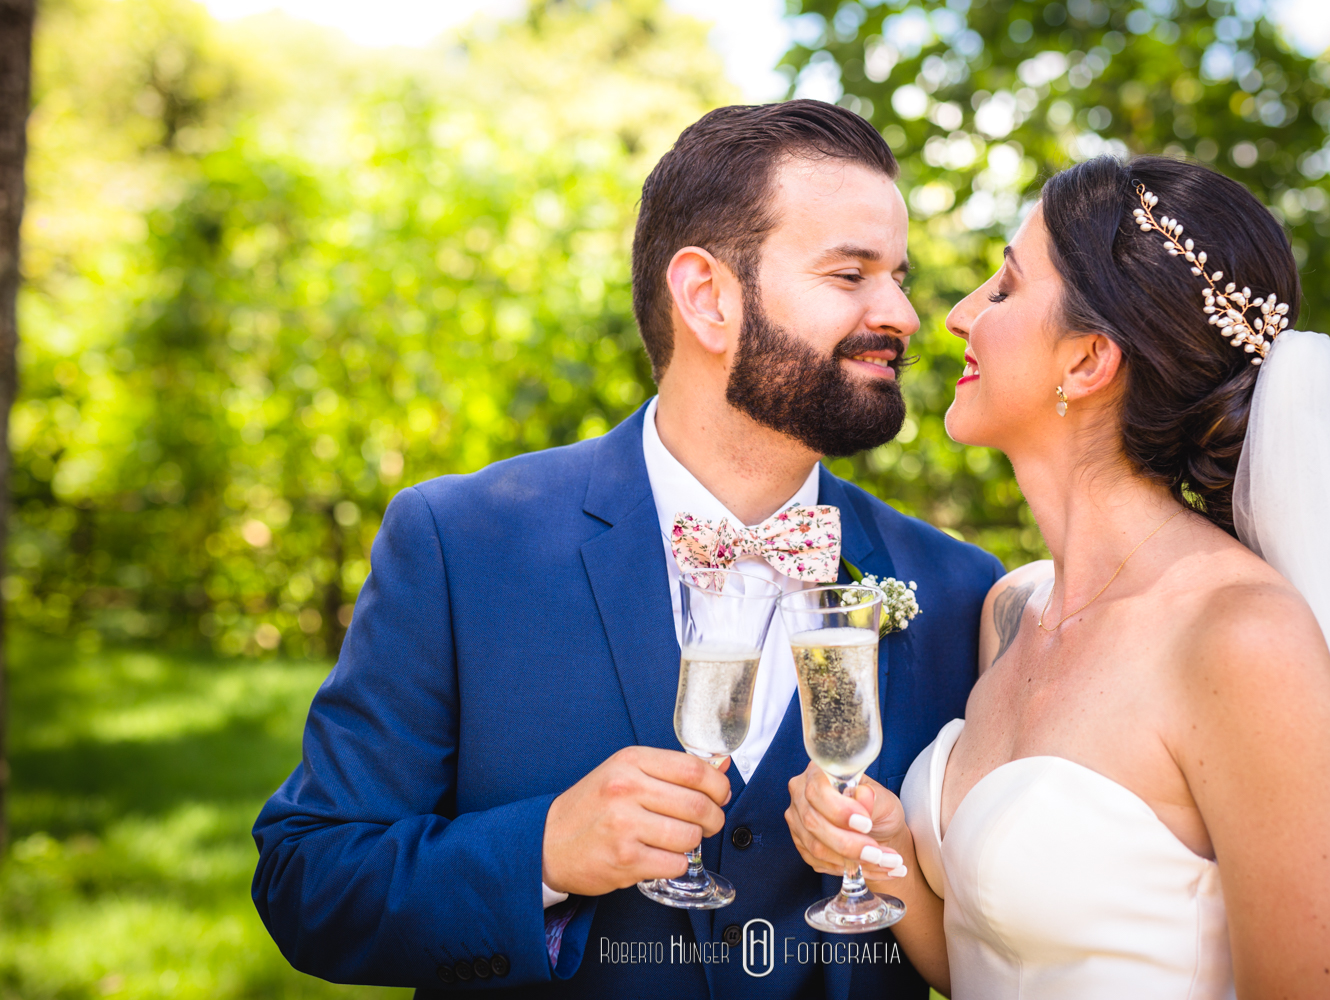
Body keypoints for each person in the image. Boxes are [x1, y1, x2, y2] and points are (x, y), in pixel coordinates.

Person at [251, 99, 1002, 999]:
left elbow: (998, 942)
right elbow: (311, 880)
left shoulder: (963, 592)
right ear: (707, 297)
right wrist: (545, 853)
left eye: (898, 276)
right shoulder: (461, 543)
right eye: (851, 274)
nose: (905, 314)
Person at [785, 155, 1330, 999]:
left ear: (1088, 361)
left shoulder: (1241, 637)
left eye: (1004, 290)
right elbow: (996, 957)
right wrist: (890, 852)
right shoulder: (1011, 610)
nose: (955, 316)